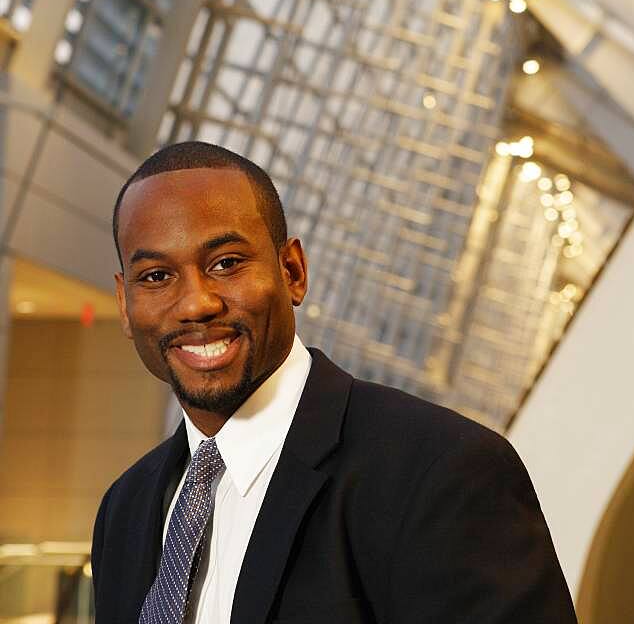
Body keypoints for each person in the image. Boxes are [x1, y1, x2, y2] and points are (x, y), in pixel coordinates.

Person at [92, 140, 577, 624]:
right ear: (124, 304)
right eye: (156, 276)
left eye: (227, 264)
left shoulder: (440, 472)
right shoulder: (124, 510)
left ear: (293, 272)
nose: (196, 303)